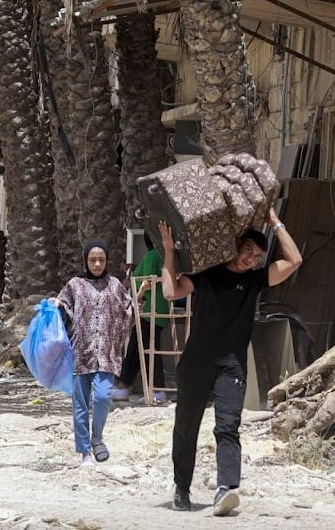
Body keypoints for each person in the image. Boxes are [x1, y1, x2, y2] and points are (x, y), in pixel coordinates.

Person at [159, 208, 302, 516]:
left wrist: (275, 222)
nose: (249, 259)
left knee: (228, 426)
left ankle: (226, 489)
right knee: (186, 427)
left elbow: (295, 261)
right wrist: (169, 252)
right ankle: (182, 487)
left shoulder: (255, 280)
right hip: (196, 362)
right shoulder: (207, 274)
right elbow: (170, 291)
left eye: (256, 257)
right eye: (247, 251)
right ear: (236, 244)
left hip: (231, 365)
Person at [50, 239, 141, 467]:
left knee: (102, 397)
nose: (97, 264)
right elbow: (64, 307)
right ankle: (85, 452)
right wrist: (58, 305)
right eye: (93, 260)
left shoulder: (115, 285)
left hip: (106, 354)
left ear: (107, 261)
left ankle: (97, 438)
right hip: (81, 354)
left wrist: (138, 298)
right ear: (86, 260)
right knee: (80, 404)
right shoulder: (74, 285)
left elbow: (127, 312)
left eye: (101, 260)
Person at [112, 235, 173, 403]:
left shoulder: (151, 256)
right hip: (163, 307)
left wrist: (130, 281)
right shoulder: (165, 257)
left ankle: (158, 389)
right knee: (137, 347)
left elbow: (145, 282)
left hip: (149, 308)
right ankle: (124, 385)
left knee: (148, 349)